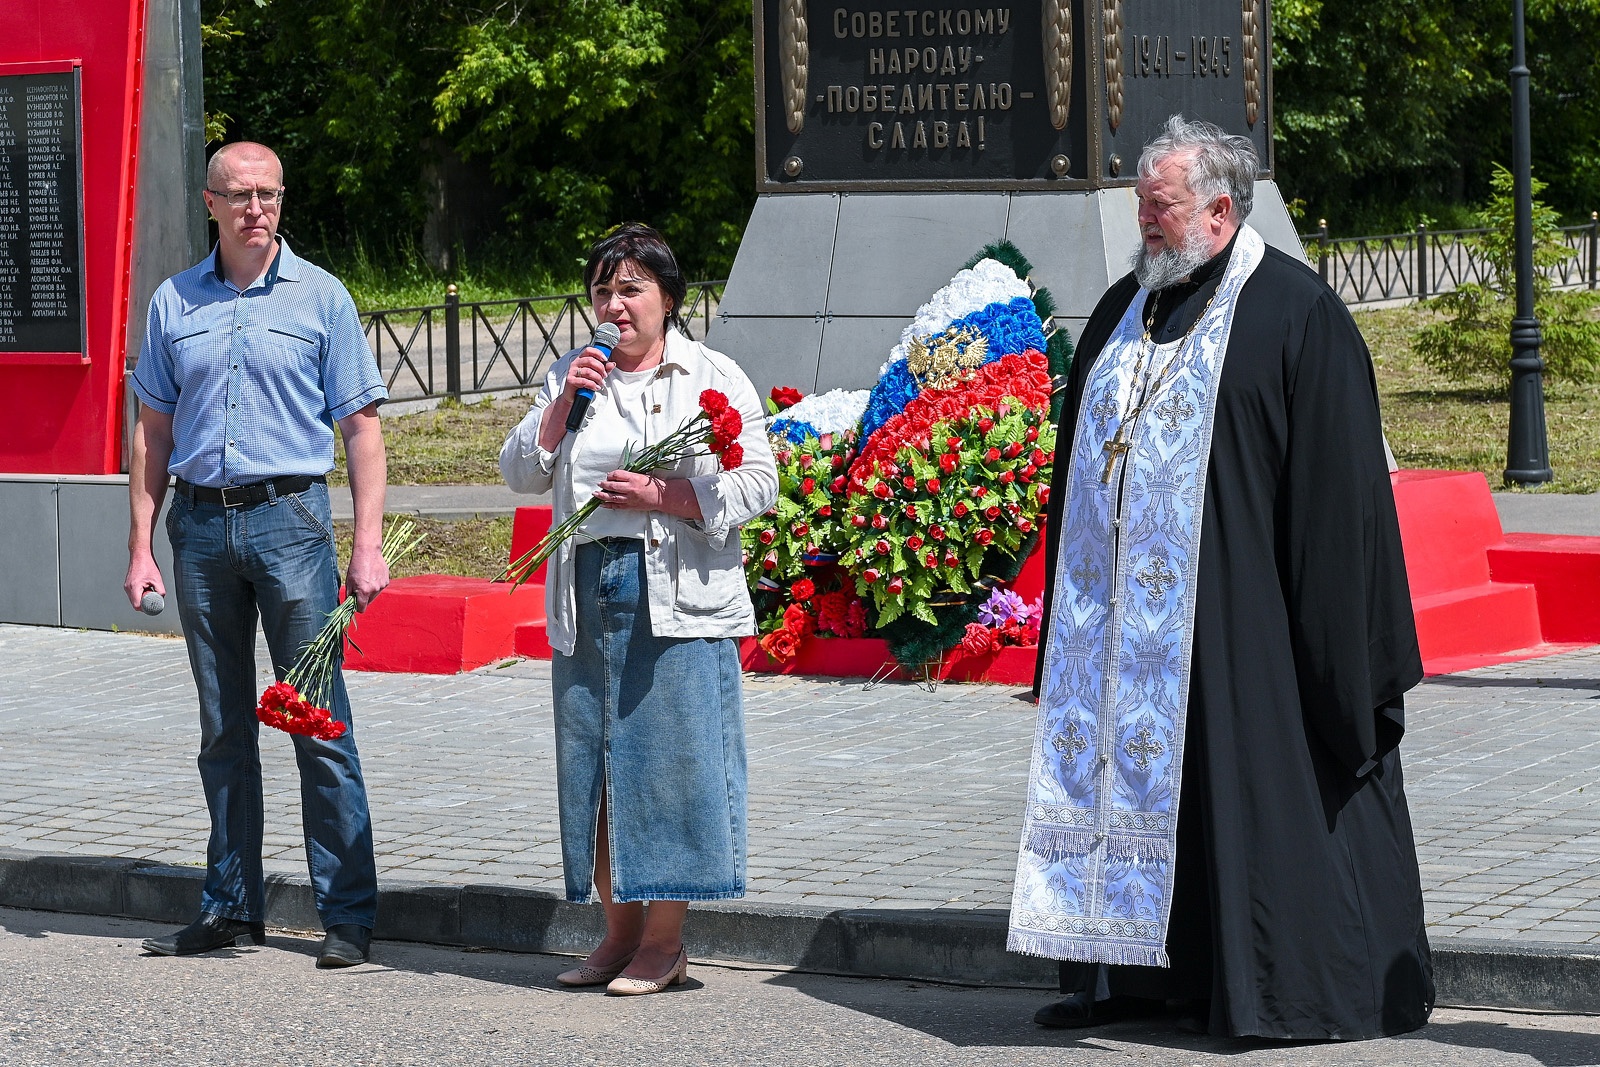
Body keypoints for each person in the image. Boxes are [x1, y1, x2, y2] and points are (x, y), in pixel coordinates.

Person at [1011, 116, 1434, 1039]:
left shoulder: (1295, 312)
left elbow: (1340, 501)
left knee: (1247, 795)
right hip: (1128, 637)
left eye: (1158, 206)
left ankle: (1267, 986)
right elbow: (1079, 472)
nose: (1145, 221)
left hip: (1252, 630)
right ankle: (1128, 978)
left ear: (1218, 207)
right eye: (1141, 205)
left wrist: (1336, 652)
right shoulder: (1127, 310)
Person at [124, 141, 389, 968]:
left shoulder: (323, 298)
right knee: (223, 726)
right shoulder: (175, 301)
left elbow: (363, 429)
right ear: (210, 202)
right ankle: (231, 906)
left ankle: (346, 913)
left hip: (292, 524)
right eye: (239, 195)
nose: (255, 210)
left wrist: (369, 542)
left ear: (282, 200)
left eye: (268, 195)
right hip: (200, 532)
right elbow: (153, 433)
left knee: (318, 719)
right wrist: (141, 544)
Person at [500, 224, 777, 996]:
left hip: (675, 592)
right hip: (587, 590)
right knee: (596, 763)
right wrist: (561, 409)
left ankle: (665, 943)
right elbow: (518, 469)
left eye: (630, 289)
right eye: (602, 291)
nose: (614, 305)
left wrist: (666, 495)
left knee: (670, 766)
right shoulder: (572, 374)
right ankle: (616, 935)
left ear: (668, 298)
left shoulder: (710, 376)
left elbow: (759, 483)